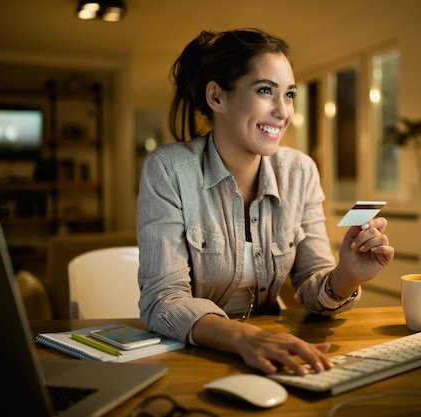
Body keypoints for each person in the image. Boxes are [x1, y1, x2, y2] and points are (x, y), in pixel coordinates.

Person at [137, 28, 394, 376]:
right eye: (265, 91)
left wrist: (346, 277)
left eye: (289, 95)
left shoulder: (300, 171)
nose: (283, 111)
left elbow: (311, 285)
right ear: (216, 97)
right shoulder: (167, 170)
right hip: (195, 355)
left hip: (274, 348)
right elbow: (163, 301)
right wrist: (245, 339)